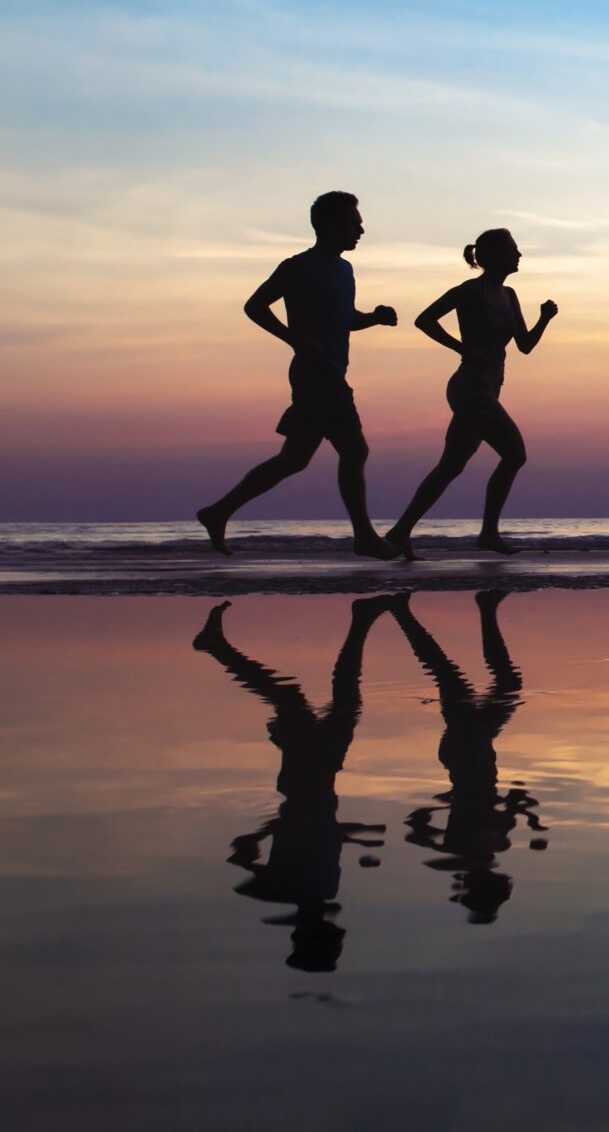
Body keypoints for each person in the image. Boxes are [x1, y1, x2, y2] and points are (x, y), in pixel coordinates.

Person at [196, 191, 402, 559]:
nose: (361, 229)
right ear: (327, 225)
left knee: (294, 459)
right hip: (315, 375)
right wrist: (295, 340)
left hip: (330, 372)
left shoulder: (345, 270)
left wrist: (374, 317)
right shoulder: (298, 267)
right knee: (354, 449)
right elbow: (254, 306)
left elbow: (344, 319)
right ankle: (365, 537)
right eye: (353, 222)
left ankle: (218, 511)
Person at [194, 597, 393, 972]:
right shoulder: (315, 891)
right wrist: (356, 834)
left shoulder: (293, 891)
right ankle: (361, 620)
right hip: (318, 784)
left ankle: (217, 647)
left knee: (296, 699)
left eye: (333, 942)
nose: (342, 936)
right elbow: (316, 833)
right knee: (340, 699)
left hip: (307, 782)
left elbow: (292, 834)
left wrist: (255, 849)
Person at [383, 228, 557, 558]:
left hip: (490, 388)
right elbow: (425, 320)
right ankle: (488, 534)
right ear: (491, 256)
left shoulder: (510, 296)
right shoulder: (470, 291)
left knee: (450, 466)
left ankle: (399, 532)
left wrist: (544, 319)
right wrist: (461, 347)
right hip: (471, 387)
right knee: (515, 453)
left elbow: (525, 346)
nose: (519, 255)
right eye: (513, 249)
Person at [387, 591, 546, 923]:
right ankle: (481, 609)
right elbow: (514, 798)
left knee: (452, 675)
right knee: (482, 680)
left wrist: (449, 802)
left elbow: (414, 827)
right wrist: (531, 820)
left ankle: (408, 612)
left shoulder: (461, 853)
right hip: (474, 754)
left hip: (466, 753)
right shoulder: (493, 847)